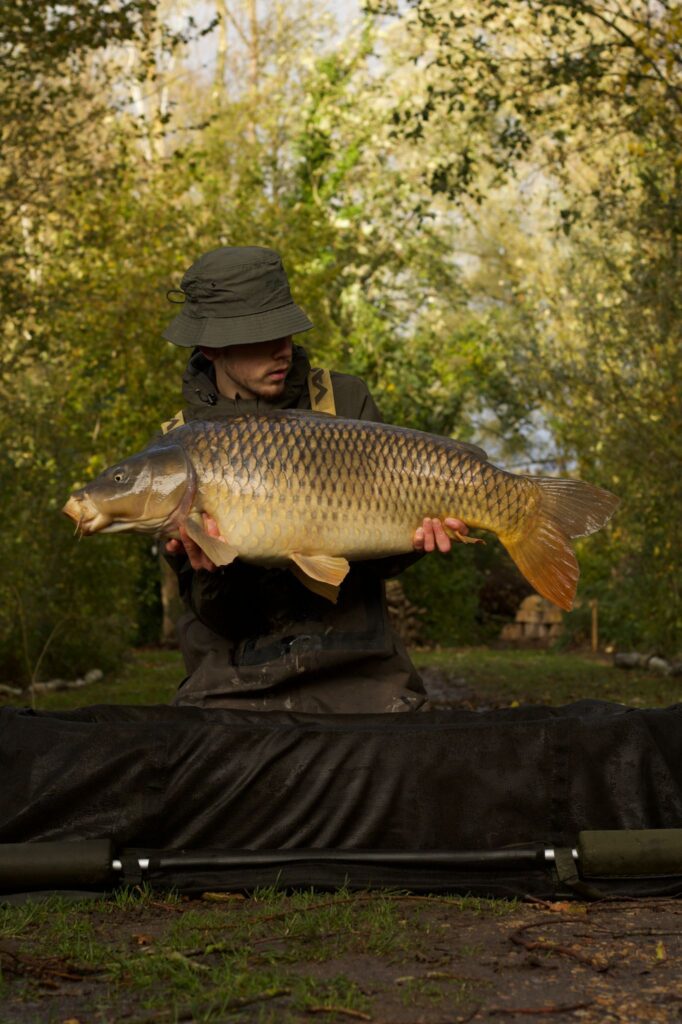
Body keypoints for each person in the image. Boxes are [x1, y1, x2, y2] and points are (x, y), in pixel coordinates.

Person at [162, 245, 468, 713]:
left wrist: (415, 542)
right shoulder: (174, 451)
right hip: (234, 680)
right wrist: (214, 569)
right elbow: (216, 615)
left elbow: (373, 561)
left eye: (285, 330)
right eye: (262, 338)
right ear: (212, 347)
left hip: (360, 671)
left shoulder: (344, 398)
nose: (282, 349)